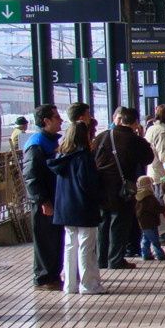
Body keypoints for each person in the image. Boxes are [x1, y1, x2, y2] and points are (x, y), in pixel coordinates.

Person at [47, 120, 106, 294]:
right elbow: (89, 184)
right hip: (83, 207)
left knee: (70, 246)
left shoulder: (61, 157)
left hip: (65, 208)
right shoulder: (84, 158)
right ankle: (89, 284)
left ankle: (69, 284)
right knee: (86, 246)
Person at [94, 107, 154, 269]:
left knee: (103, 222)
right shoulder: (134, 140)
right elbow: (148, 158)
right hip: (122, 188)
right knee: (119, 223)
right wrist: (140, 137)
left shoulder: (102, 136)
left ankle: (101, 259)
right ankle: (115, 259)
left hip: (101, 186)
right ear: (135, 122)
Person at [23, 103, 65, 290]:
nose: (61, 120)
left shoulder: (50, 141)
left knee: (54, 238)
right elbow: (31, 175)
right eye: (57, 117)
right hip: (44, 201)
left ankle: (53, 275)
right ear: (46, 121)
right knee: (45, 240)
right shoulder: (37, 144)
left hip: (53, 198)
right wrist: (42, 200)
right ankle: (44, 278)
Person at [144, 104, 165, 199]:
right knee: (164, 203)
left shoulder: (151, 129)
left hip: (153, 172)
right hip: (162, 176)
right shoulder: (163, 132)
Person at [134, 176, 165, 261]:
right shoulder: (149, 197)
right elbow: (155, 208)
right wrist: (163, 209)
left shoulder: (138, 196)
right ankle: (160, 255)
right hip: (151, 222)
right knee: (155, 239)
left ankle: (145, 254)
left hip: (143, 223)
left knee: (146, 238)